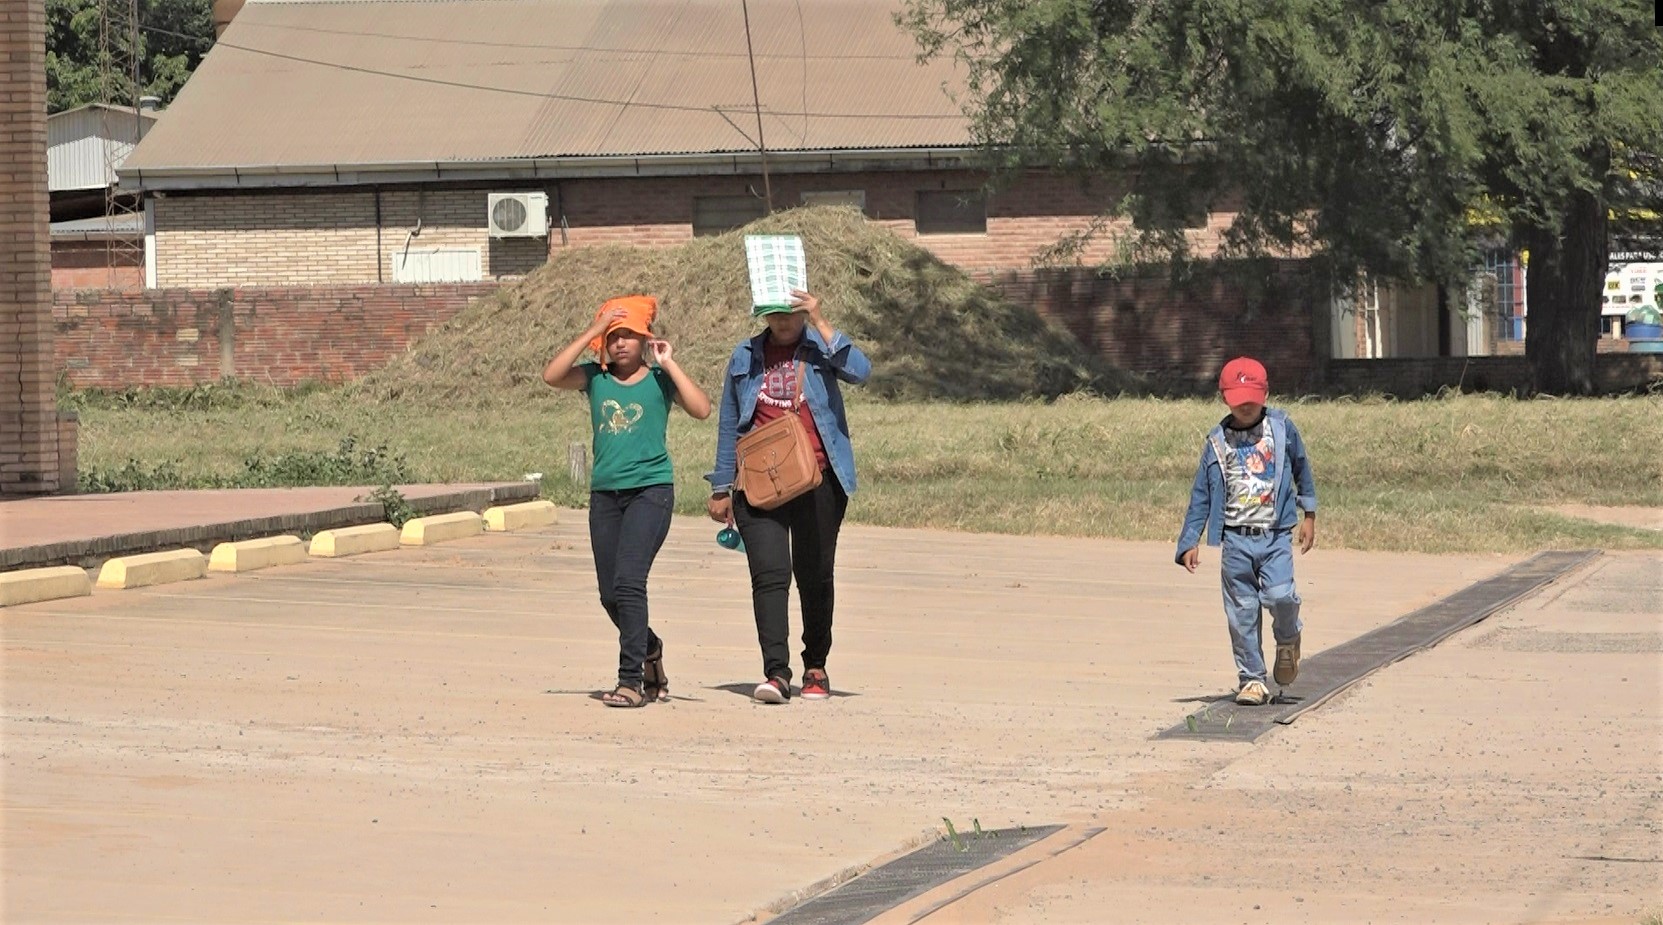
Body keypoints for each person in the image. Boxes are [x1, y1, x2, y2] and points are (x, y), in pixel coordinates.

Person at [543, 295, 711, 708]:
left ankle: (630, 682)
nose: (620, 344)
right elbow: (551, 375)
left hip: (651, 492)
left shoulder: (659, 380)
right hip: (605, 495)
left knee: (629, 582)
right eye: (614, 337)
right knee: (609, 593)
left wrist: (669, 362)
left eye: (629, 336)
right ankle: (649, 648)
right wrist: (592, 333)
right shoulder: (594, 378)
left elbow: (703, 409)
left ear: (645, 341)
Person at [706, 290, 871, 704]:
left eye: (792, 313)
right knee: (769, 576)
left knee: (815, 575)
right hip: (759, 481)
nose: (783, 321)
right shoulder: (745, 356)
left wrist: (819, 319)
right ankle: (776, 674)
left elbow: (861, 371)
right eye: (775, 313)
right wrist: (721, 486)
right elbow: (730, 423)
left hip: (818, 478)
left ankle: (815, 667)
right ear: (763, 313)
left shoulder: (819, 349)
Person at [1175, 356, 1317, 706]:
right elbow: (1201, 495)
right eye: (1238, 399)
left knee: (1281, 596)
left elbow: (1302, 468)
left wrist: (1309, 513)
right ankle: (1251, 679)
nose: (1246, 405)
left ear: (1265, 392)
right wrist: (1190, 539)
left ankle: (1288, 638)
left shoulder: (1282, 429)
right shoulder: (1217, 442)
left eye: (1253, 397)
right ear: (1225, 398)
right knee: (1241, 613)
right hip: (1236, 541)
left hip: (1275, 535)